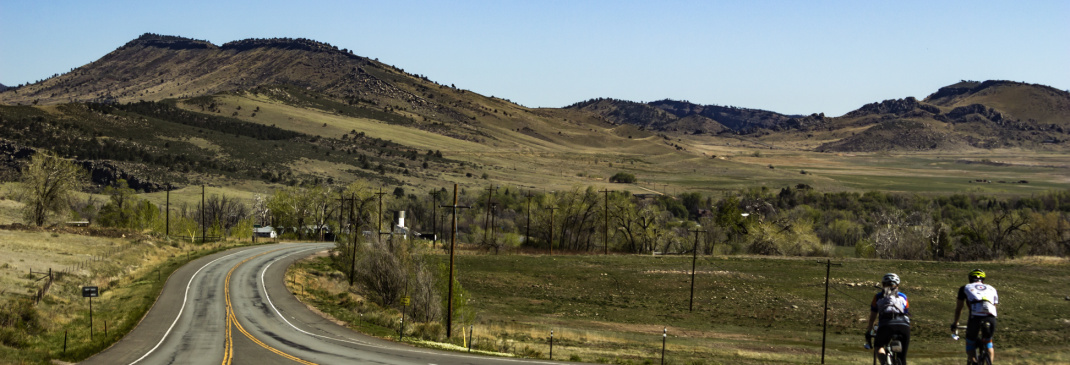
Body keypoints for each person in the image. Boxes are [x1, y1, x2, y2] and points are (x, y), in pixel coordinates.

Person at [952, 269, 999, 364]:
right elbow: (994, 306)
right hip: (991, 316)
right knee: (988, 342)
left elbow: (959, 309)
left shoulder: (965, 288)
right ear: (983, 279)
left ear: (969, 279)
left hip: (975, 317)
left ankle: (974, 361)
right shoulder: (992, 288)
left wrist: (955, 323)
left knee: (970, 341)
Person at [867, 273, 911, 364]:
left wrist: (869, 331)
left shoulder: (878, 297)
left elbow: (872, 318)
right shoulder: (903, 296)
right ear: (897, 286)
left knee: (878, 345)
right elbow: (906, 312)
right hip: (904, 326)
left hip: (886, 325)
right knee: (902, 359)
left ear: (883, 285)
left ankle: (884, 362)